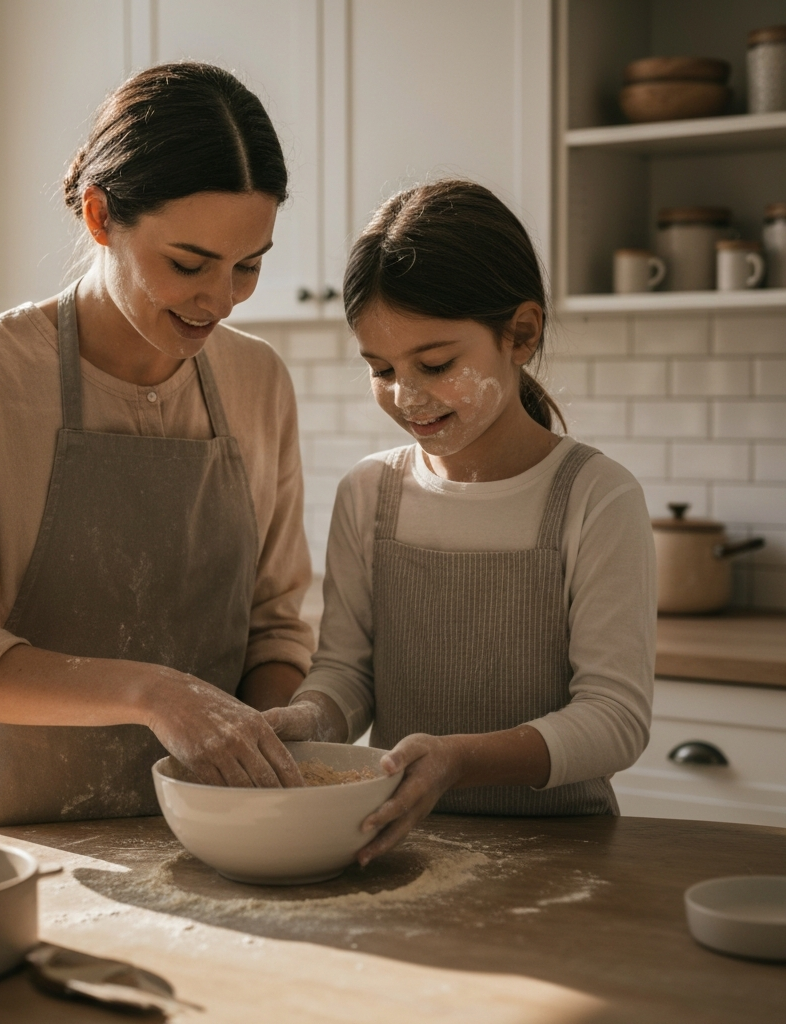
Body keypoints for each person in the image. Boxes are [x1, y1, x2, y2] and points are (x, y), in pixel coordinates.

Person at [0, 62, 315, 834]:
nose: (218, 300)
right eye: (187, 264)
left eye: (248, 265)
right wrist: (158, 695)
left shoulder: (257, 381)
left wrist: (270, 739)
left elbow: (275, 627)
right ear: (98, 216)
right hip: (15, 844)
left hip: (212, 844)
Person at [266, 180, 656, 865]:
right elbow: (348, 676)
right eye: (381, 368)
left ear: (522, 333)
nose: (406, 395)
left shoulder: (596, 498)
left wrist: (458, 760)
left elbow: (614, 722)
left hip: (565, 860)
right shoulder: (370, 495)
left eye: (437, 364)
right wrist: (301, 720)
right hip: (401, 850)